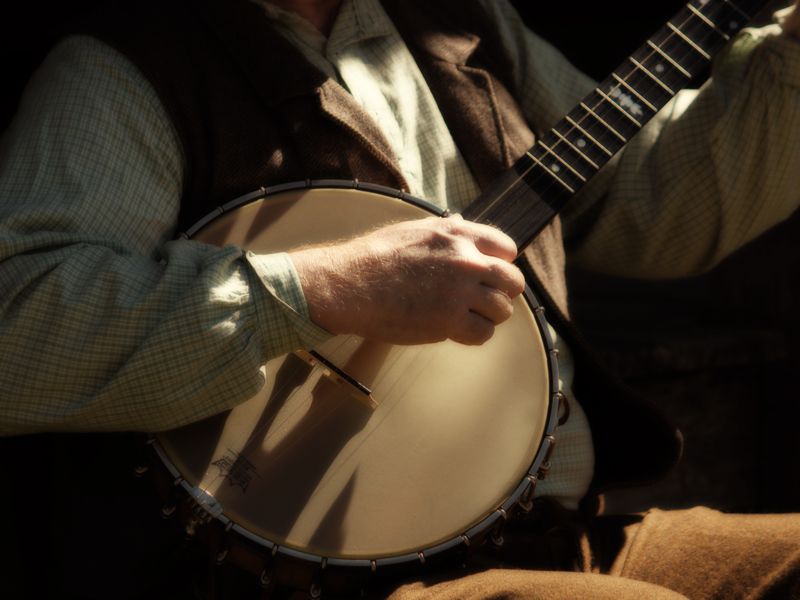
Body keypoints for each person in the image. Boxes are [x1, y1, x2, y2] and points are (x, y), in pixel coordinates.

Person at [0, 0, 799, 598]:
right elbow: (18, 326)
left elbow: (651, 202)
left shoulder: (454, 23)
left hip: (569, 534)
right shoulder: (127, 71)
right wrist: (325, 289)